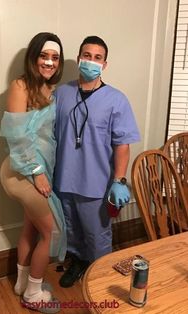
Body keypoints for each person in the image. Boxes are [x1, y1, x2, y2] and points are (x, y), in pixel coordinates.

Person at [54, 35, 140, 288]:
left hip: (96, 182)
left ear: (105, 64)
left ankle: (100, 277)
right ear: (79, 58)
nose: (91, 61)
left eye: (97, 57)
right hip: (64, 180)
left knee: (97, 234)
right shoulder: (62, 94)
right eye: (87, 56)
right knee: (71, 230)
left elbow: (122, 144)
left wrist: (119, 180)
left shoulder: (116, 99)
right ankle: (78, 263)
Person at [0, 32, 66, 313]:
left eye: (55, 57)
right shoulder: (20, 86)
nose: (49, 62)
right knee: (52, 233)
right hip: (22, 171)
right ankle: (34, 293)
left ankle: (22, 283)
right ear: (34, 56)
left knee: (30, 226)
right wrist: (38, 173)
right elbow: (17, 139)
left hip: (39, 170)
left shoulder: (51, 90)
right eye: (44, 55)